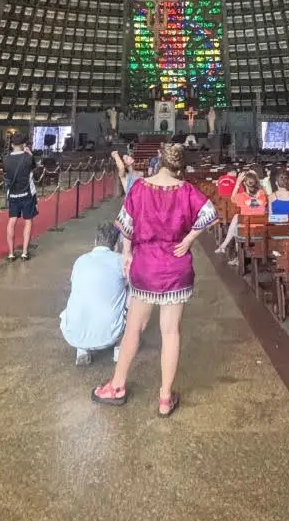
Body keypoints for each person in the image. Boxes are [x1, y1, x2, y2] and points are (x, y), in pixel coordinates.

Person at [91, 142, 217, 415]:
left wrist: (126, 253)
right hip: (176, 266)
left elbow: (126, 224)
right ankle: (164, 398)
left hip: (145, 266)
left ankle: (117, 385)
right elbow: (210, 213)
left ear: (159, 162)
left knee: (134, 328)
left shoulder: (139, 187)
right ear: (180, 167)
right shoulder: (185, 190)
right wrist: (188, 238)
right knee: (170, 332)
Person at [60, 222, 129, 366]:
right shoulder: (120, 261)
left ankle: (82, 350)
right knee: (132, 292)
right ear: (116, 245)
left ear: (95, 241)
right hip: (109, 334)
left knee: (83, 293)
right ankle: (119, 348)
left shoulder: (80, 260)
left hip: (72, 334)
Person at [217, 169, 268, 265]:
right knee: (237, 220)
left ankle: (237, 257)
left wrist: (237, 183)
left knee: (237, 226)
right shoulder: (262, 195)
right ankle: (229, 250)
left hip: (246, 232)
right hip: (261, 231)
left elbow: (232, 198)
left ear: (244, 184)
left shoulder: (241, 197)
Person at [3, 137, 36, 261]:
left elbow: (6, 174)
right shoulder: (28, 158)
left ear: (11, 145)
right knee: (28, 221)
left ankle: (11, 254)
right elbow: (34, 169)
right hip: (27, 193)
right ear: (24, 144)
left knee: (12, 221)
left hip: (13, 194)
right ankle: (24, 253)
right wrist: (29, 153)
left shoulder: (6, 159)